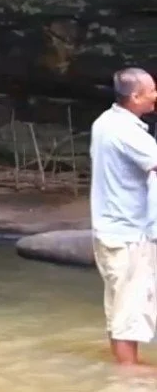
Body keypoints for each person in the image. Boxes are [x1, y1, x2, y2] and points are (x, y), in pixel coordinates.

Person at [90, 67, 157, 367]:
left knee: (119, 309)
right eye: (152, 91)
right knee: (127, 314)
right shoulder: (128, 133)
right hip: (129, 234)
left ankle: (123, 373)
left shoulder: (104, 122)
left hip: (109, 231)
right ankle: (129, 379)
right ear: (135, 96)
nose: (156, 96)